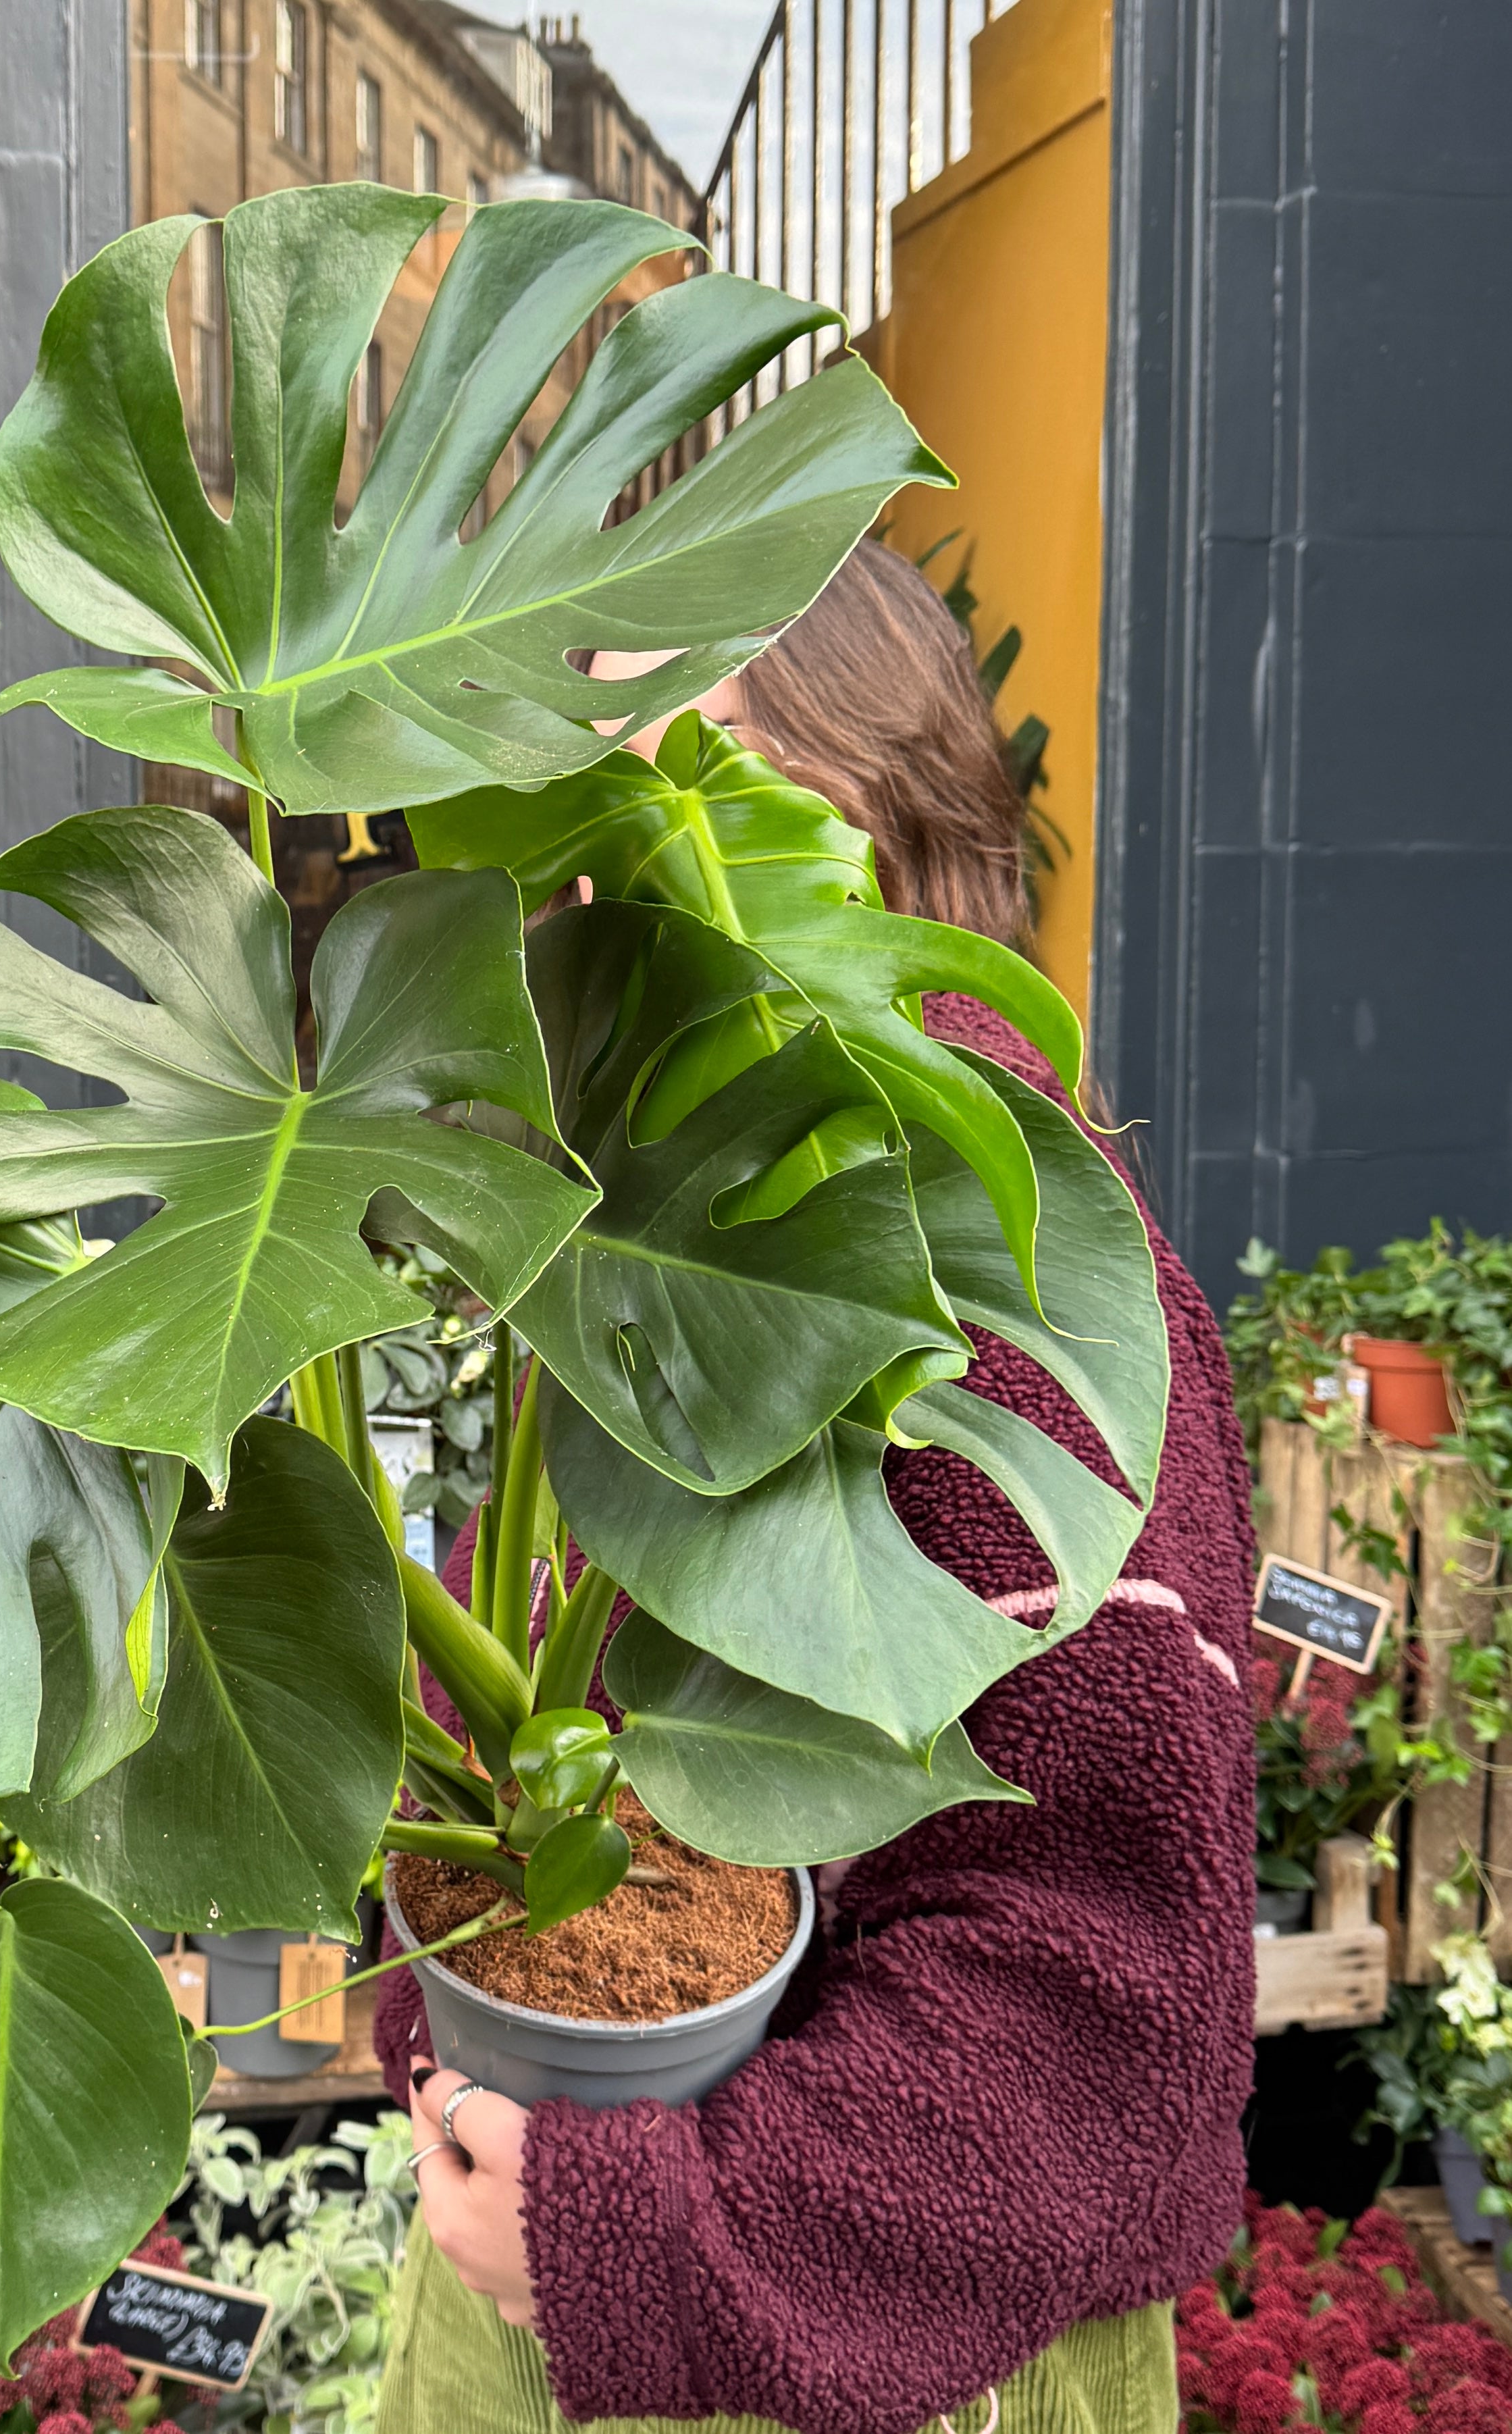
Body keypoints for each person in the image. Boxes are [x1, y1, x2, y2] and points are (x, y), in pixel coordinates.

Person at [372, 541, 1260, 2434]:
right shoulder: (633, 1219)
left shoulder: (986, 1276)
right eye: (560, 794)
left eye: (658, 783)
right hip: (553, 2280)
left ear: (867, 820)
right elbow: (508, 1740)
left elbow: (1098, 1973)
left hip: (870, 2351)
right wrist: (460, 2043)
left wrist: (621, 2228)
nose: (590, 876)